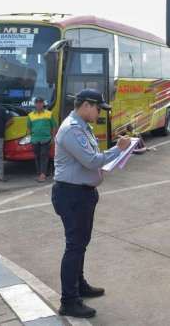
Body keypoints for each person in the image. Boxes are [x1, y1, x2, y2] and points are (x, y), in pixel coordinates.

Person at [52, 89, 131, 318]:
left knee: (80, 244)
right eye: (98, 108)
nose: (99, 113)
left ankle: (79, 285)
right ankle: (69, 300)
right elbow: (91, 160)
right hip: (72, 195)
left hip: (82, 194)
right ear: (86, 105)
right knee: (74, 246)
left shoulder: (83, 127)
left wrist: (126, 149)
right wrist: (119, 148)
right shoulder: (71, 130)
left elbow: (94, 158)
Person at [27, 97, 57, 182]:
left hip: (46, 139)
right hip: (34, 140)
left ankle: (42, 175)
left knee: (44, 156)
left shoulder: (49, 114)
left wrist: (53, 138)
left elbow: (54, 126)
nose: (39, 104)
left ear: (43, 104)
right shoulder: (31, 115)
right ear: (35, 104)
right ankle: (41, 172)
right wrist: (30, 137)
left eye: (40, 103)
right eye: (37, 103)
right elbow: (29, 128)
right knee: (37, 157)